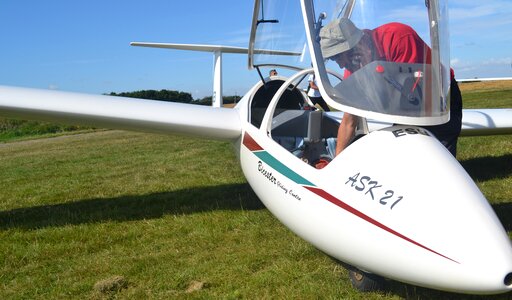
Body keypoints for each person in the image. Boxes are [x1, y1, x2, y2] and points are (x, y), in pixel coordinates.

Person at [319, 18, 462, 157]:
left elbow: (411, 96)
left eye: (338, 56)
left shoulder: (398, 37)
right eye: (333, 59)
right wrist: (338, 160)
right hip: (406, 107)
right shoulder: (353, 67)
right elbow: (349, 120)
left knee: (439, 156)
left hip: (438, 94)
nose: (341, 65)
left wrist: (370, 65)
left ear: (356, 45)